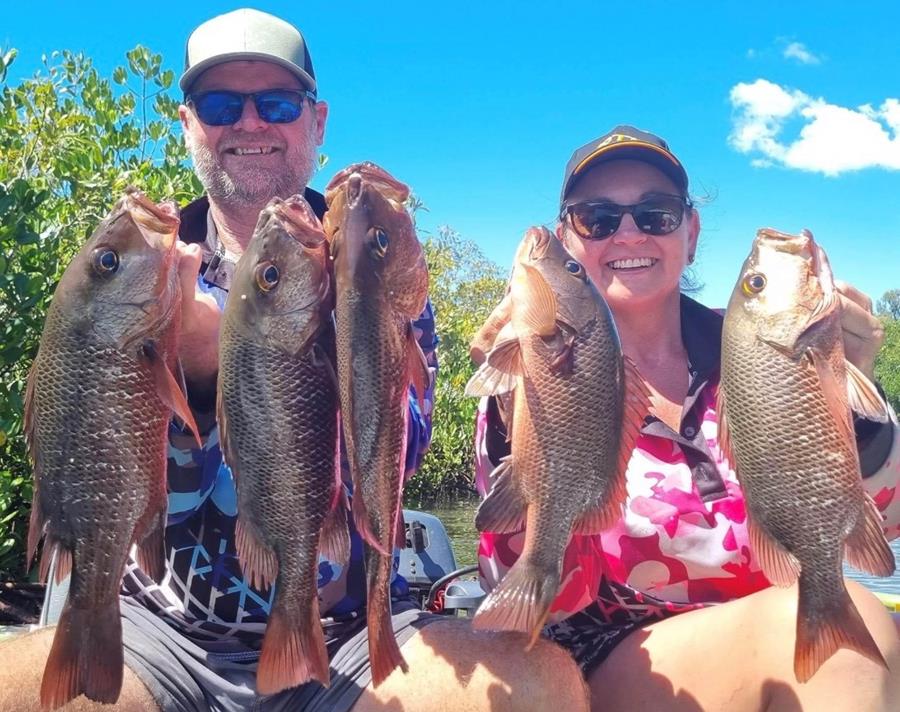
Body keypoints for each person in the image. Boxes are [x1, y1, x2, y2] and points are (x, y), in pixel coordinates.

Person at [0, 9, 588, 712]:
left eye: (276, 103)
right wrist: (193, 368)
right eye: (221, 105)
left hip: (349, 634)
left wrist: (371, 268)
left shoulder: (371, 260)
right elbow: (149, 495)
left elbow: (395, 459)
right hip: (160, 632)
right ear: (189, 123)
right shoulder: (136, 271)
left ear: (317, 122)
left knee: (541, 688)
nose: (250, 123)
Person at [474, 125, 900, 711]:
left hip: (781, 638)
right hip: (604, 664)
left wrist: (851, 399)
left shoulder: (758, 346)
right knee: (853, 641)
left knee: (846, 624)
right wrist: (511, 405)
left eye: (656, 214)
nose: (628, 232)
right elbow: (536, 590)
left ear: (691, 233)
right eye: (597, 217)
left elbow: (888, 523)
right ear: (568, 241)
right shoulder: (530, 374)